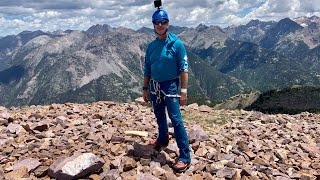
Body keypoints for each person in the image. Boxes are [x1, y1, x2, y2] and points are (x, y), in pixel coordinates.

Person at [143, 8, 191, 173]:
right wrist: (145, 88)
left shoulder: (176, 44)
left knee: (176, 120)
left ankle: (185, 156)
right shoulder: (151, 47)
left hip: (170, 85)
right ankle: (162, 138)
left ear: (168, 24)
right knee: (159, 115)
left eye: (163, 22)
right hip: (155, 86)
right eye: (157, 22)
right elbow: (147, 69)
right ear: (154, 25)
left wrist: (183, 91)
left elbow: (184, 69)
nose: (160, 25)